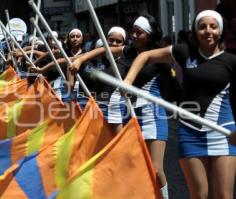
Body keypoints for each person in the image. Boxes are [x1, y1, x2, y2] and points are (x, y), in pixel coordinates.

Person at [123, 10, 236, 199]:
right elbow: (146, 56)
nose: (208, 31)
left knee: (223, 196)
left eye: (213, 26)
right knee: (199, 195)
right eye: (202, 26)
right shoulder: (184, 52)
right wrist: (128, 80)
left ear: (220, 31)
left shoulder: (231, 61)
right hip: (190, 133)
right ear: (195, 30)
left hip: (223, 132)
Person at [70, 15, 174, 198]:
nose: (133, 35)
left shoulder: (159, 55)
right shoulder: (129, 52)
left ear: (149, 35)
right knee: (135, 163)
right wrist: (80, 59)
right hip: (132, 115)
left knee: (156, 169)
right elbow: (104, 50)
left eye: (138, 32)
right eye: (132, 31)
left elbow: (175, 80)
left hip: (153, 115)